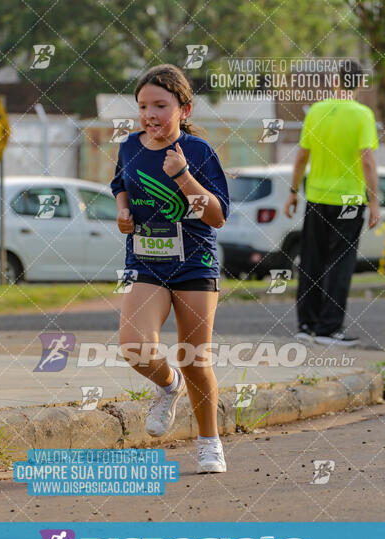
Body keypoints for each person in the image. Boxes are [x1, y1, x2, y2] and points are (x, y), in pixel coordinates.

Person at [110, 64, 230, 473]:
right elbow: (119, 185)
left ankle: (209, 442)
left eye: (160, 105)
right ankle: (167, 387)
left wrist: (183, 178)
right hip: (146, 261)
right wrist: (123, 211)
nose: (150, 115)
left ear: (184, 109)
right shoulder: (129, 146)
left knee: (194, 358)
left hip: (194, 261)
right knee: (133, 344)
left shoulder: (199, 153)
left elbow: (216, 216)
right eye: (143, 106)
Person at [284, 60, 380, 346]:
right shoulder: (363, 114)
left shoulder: (317, 110)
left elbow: (302, 155)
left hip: (316, 197)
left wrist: (292, 191)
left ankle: (306, 325)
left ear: (335, 81)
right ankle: (329, 329)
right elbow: (367, 159)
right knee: (340, 261)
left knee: (312, 260)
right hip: (349, 200)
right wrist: (374, 202)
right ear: (361, 84)